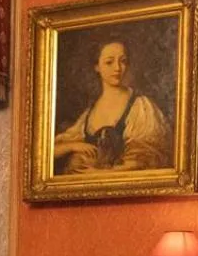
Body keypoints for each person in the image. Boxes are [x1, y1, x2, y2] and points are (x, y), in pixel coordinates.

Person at [51, 40, 171, 174]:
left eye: (123, 61)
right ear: (97, 66)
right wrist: (72, 146)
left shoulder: (141, 107)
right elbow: (48, 154)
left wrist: (101, 174)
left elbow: (148, 158)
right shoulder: (89, 113)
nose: (117, 68)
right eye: (109, 62)